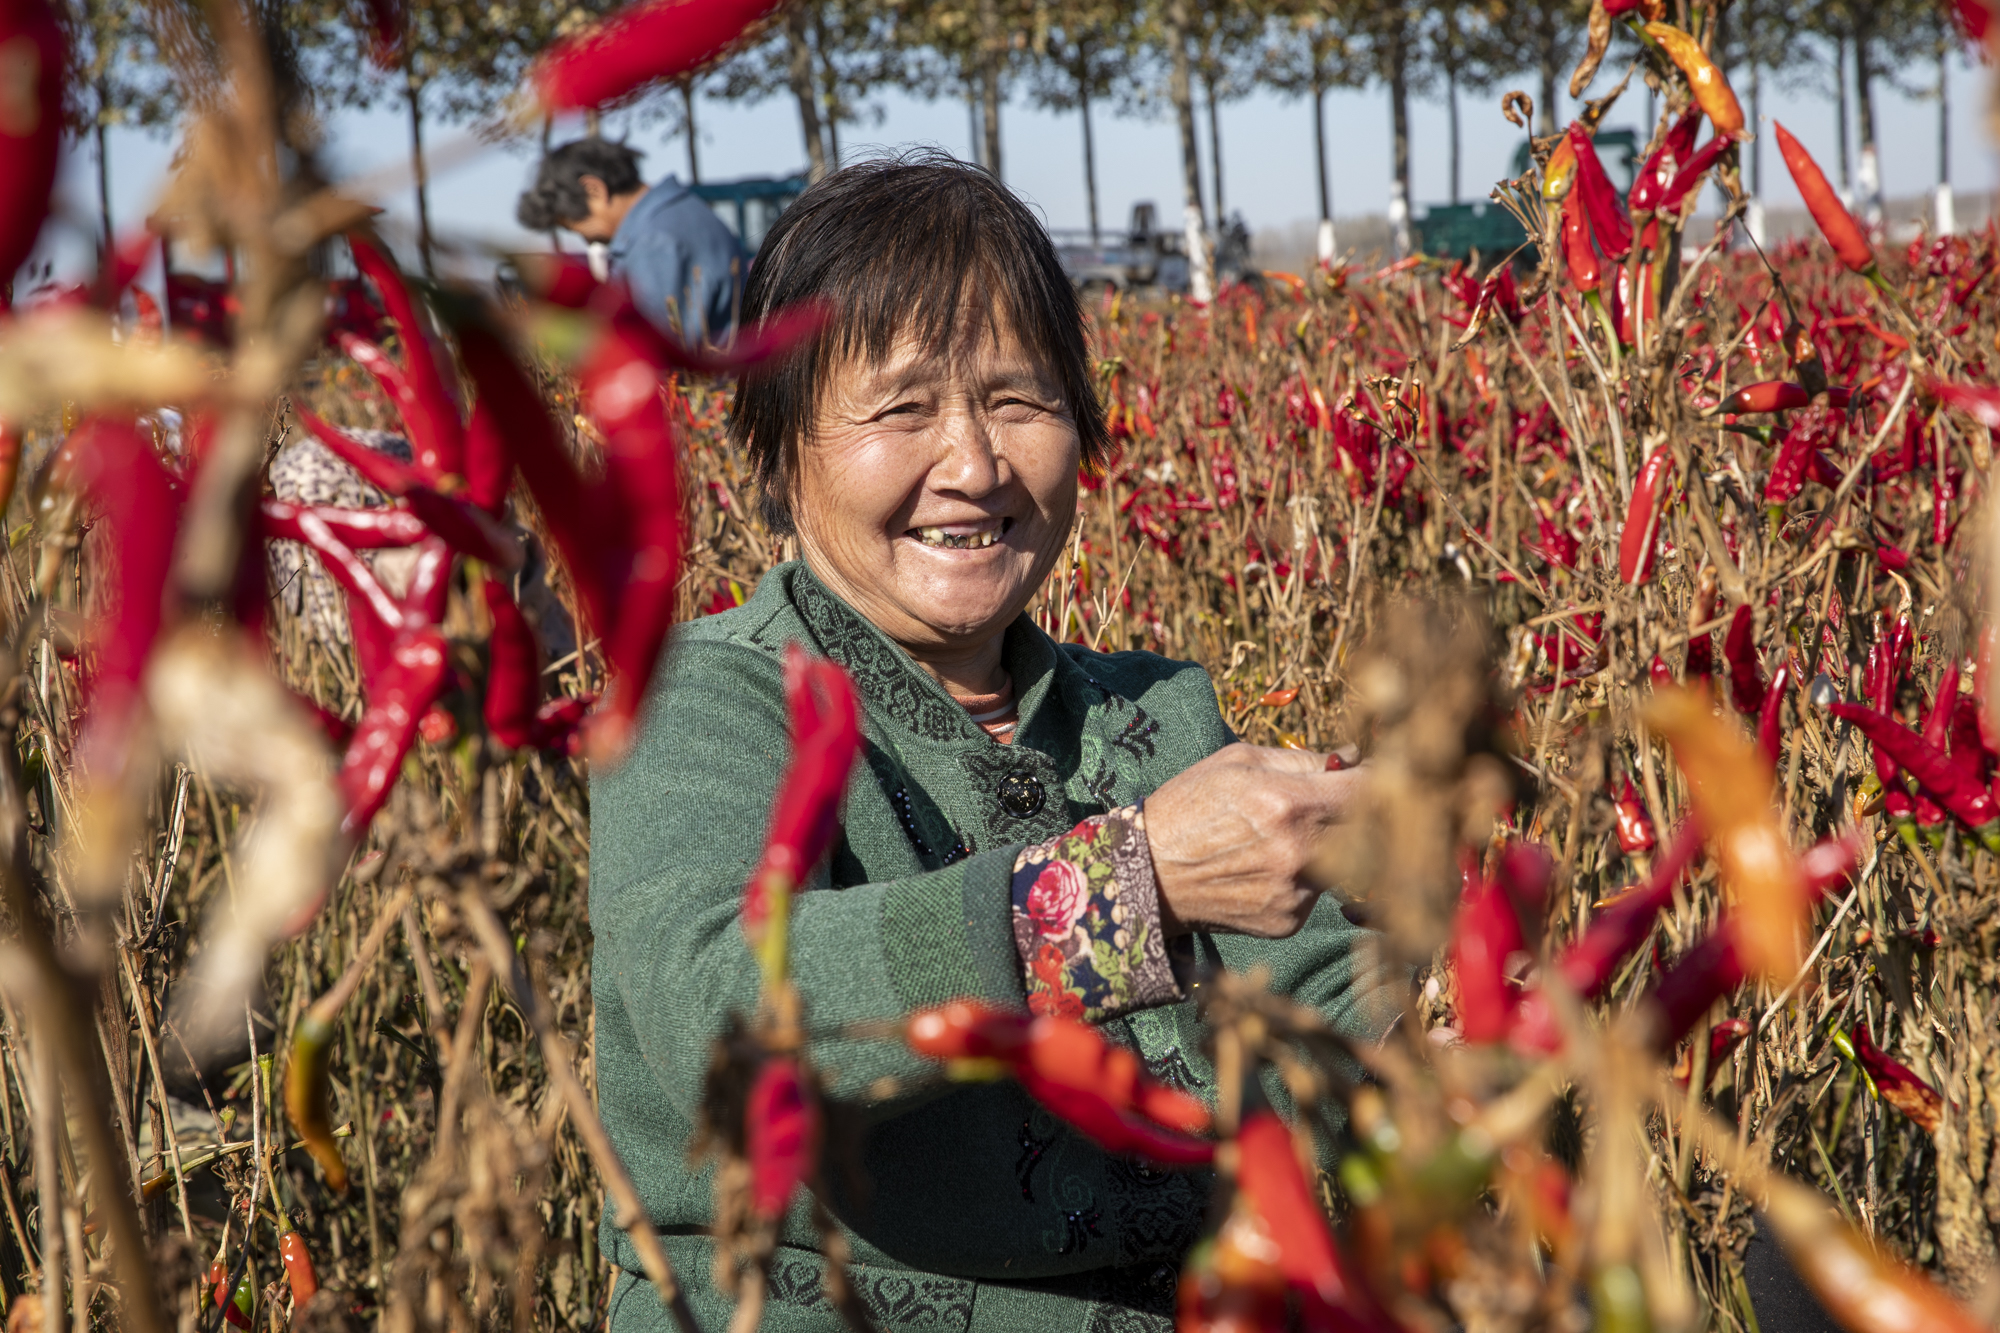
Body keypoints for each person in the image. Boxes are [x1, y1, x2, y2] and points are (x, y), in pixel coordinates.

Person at [590, 151, 1401, 1333]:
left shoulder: (1153, 714)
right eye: (902, 406)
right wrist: (1125, 885)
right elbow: (719, 1020)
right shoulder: (703, 702)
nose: (972, 465)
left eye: (1018, 400)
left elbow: (1317, 1004)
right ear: (775, 451)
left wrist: (1452, 1008)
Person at [516, 137, 745, 345]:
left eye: (574, 226)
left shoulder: (653, 242)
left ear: (594, 190)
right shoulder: (680, 214)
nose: (585, 239)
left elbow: (645, 351)